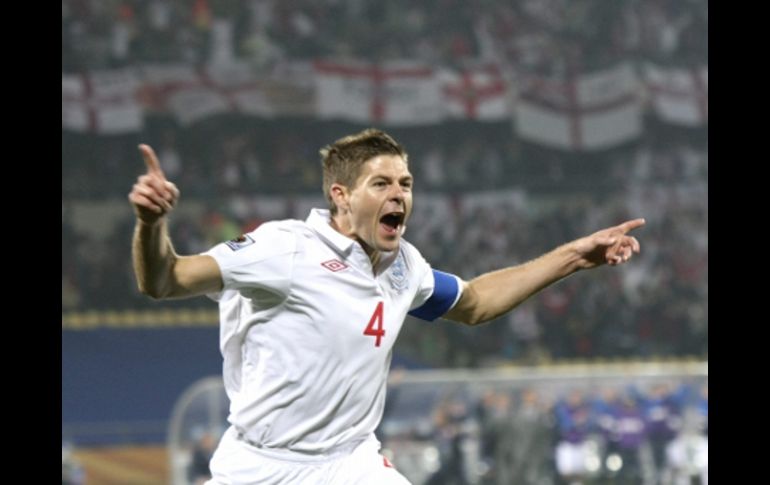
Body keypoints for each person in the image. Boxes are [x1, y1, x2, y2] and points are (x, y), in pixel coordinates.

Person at [129, 128, 643, 484]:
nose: (399, 194)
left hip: (350, 464)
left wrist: (574, 256)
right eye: (382, 183)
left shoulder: (404, 266)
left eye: (405, 184)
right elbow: (166, 279)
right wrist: (152, 224)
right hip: (262, 466)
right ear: (342, 196)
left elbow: (477, 302)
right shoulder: (282, 248)